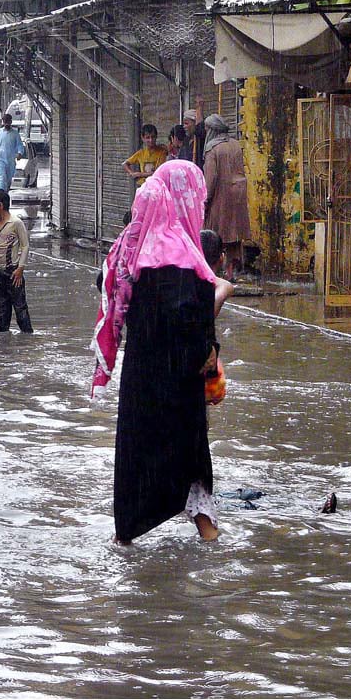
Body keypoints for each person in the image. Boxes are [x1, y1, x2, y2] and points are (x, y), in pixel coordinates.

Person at [91, 159, 221, 544]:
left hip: (141, 379)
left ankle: (126, 538)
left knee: (138, 459)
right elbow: (188, 324)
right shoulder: (182, 257)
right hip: (177, 385)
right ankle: (210, 545)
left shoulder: (133, 249)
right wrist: (210, 350)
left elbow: (111, 291)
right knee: (191, 461)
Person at [203, 114, 252, 281]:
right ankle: (232, 272)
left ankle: (216, 273)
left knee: (217, 237)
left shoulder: (212, 149)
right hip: (237, 198)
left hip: (220, 199)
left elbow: (210, 178)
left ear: (212, 130)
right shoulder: (236, 145)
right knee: (234, 237)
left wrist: (205, 200)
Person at [0, 188, 33, 333]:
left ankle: (27, 340)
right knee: (2, 310)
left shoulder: (16, 223)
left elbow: (25, 246)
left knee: (20, 308)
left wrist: (20, 268)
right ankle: (3, 344)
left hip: (13, 272)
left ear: (0, 206)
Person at [0, 113, 24, 193]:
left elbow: (20, 145)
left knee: (8, 180)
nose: (6, 123)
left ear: (11, 122)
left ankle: (5, 195)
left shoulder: (15, 133)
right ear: (3, 122)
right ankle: (1, 195)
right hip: (0, 158)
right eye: (5, 121)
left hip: (10, 159)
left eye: (8, 121)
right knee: (1, 178)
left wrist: (20, 153)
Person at [178, 103, 207, 169]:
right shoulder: (186, 141)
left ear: (194, 123)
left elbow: (200, 130)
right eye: (184, 124)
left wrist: (199, 108)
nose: (184, 126)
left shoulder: (200, 140)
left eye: (186, 123)